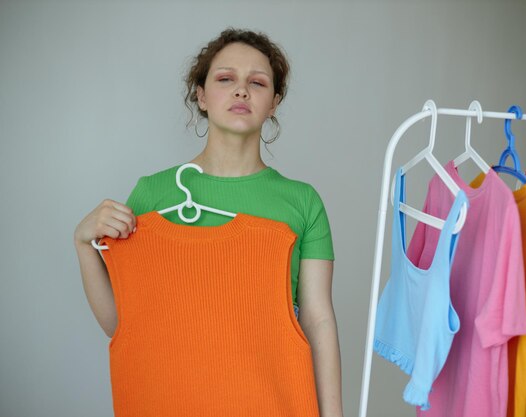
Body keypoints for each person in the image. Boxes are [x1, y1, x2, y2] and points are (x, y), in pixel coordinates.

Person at [74, 28, 344, 417]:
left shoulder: (302, 202)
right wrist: (84, 244)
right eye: (225, 79)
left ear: (274, 102)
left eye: (257, 82)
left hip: (273, 403)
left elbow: (319, 321)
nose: (241, 91)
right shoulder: (152, 196)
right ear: (201, 95)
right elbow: (125, 323)